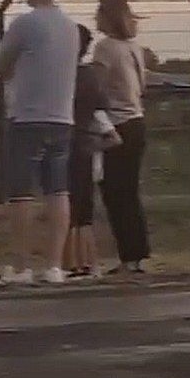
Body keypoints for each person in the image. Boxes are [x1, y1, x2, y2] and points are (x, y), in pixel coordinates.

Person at [0, 0, 79, 285]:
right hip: (61, 117)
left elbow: (0, 64)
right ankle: (54, 265)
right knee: (58, 191)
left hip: (27, 116)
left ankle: (21, 266)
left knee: (21, 193)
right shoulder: (70, 27)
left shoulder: (25, 23)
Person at [93, 0, 151, 274]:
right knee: (130, 191)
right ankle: (136, 254)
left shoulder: (105, 48)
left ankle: (128, 255)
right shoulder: (134, 48)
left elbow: (99, 88)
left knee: (115, 193)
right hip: (137, 120)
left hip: (116, 124)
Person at [64, 24, 118, 280]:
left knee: (71, 211)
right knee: (83, 211)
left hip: (68, 145)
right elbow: (101, 112)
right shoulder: (90, 77)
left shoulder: (63, 76)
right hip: (85, 147)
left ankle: (75, 263)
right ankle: (89, 263)